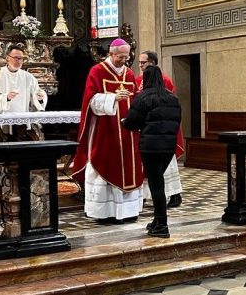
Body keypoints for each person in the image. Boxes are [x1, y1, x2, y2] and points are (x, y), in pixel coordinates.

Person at [72, 38, 144, 223]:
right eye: (120, 56)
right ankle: (105, 213)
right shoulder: (97, 71)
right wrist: (112, 98)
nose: (124, 60)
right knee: (105, 163)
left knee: (130, 165)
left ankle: (128, 211)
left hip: (128, 130)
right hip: (105, 131)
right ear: (111, 54)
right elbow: (90, 101)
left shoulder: (128, 73)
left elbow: (134, 98)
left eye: (126, 57)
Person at [123, 66, 182, 238]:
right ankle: (157, 220)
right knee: (158, 183)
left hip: (150, 147)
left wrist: (125, 122)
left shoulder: (144, 97)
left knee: (156, 186)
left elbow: (132, 122)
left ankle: (162, 225)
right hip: (168, 147)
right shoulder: (172, 98)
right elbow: (176, 121)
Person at [137, 51, 184, 209]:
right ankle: (142, 197)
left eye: (143, 63)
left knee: (167, 166)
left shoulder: (165, 81)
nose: (140, 66)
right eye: (139, 63)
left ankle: (174, 194)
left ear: (152, 63)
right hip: (147, 131)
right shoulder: (138, 80)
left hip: (162, 132)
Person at [0, 44, 47, 143]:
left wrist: (40, 98)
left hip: (21, 120)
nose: (19, 61)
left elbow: (37, 93)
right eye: (16, 58)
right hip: (1, 119)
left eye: (21, 58)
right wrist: (6, 98)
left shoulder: (28, 77)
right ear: (8, 58)